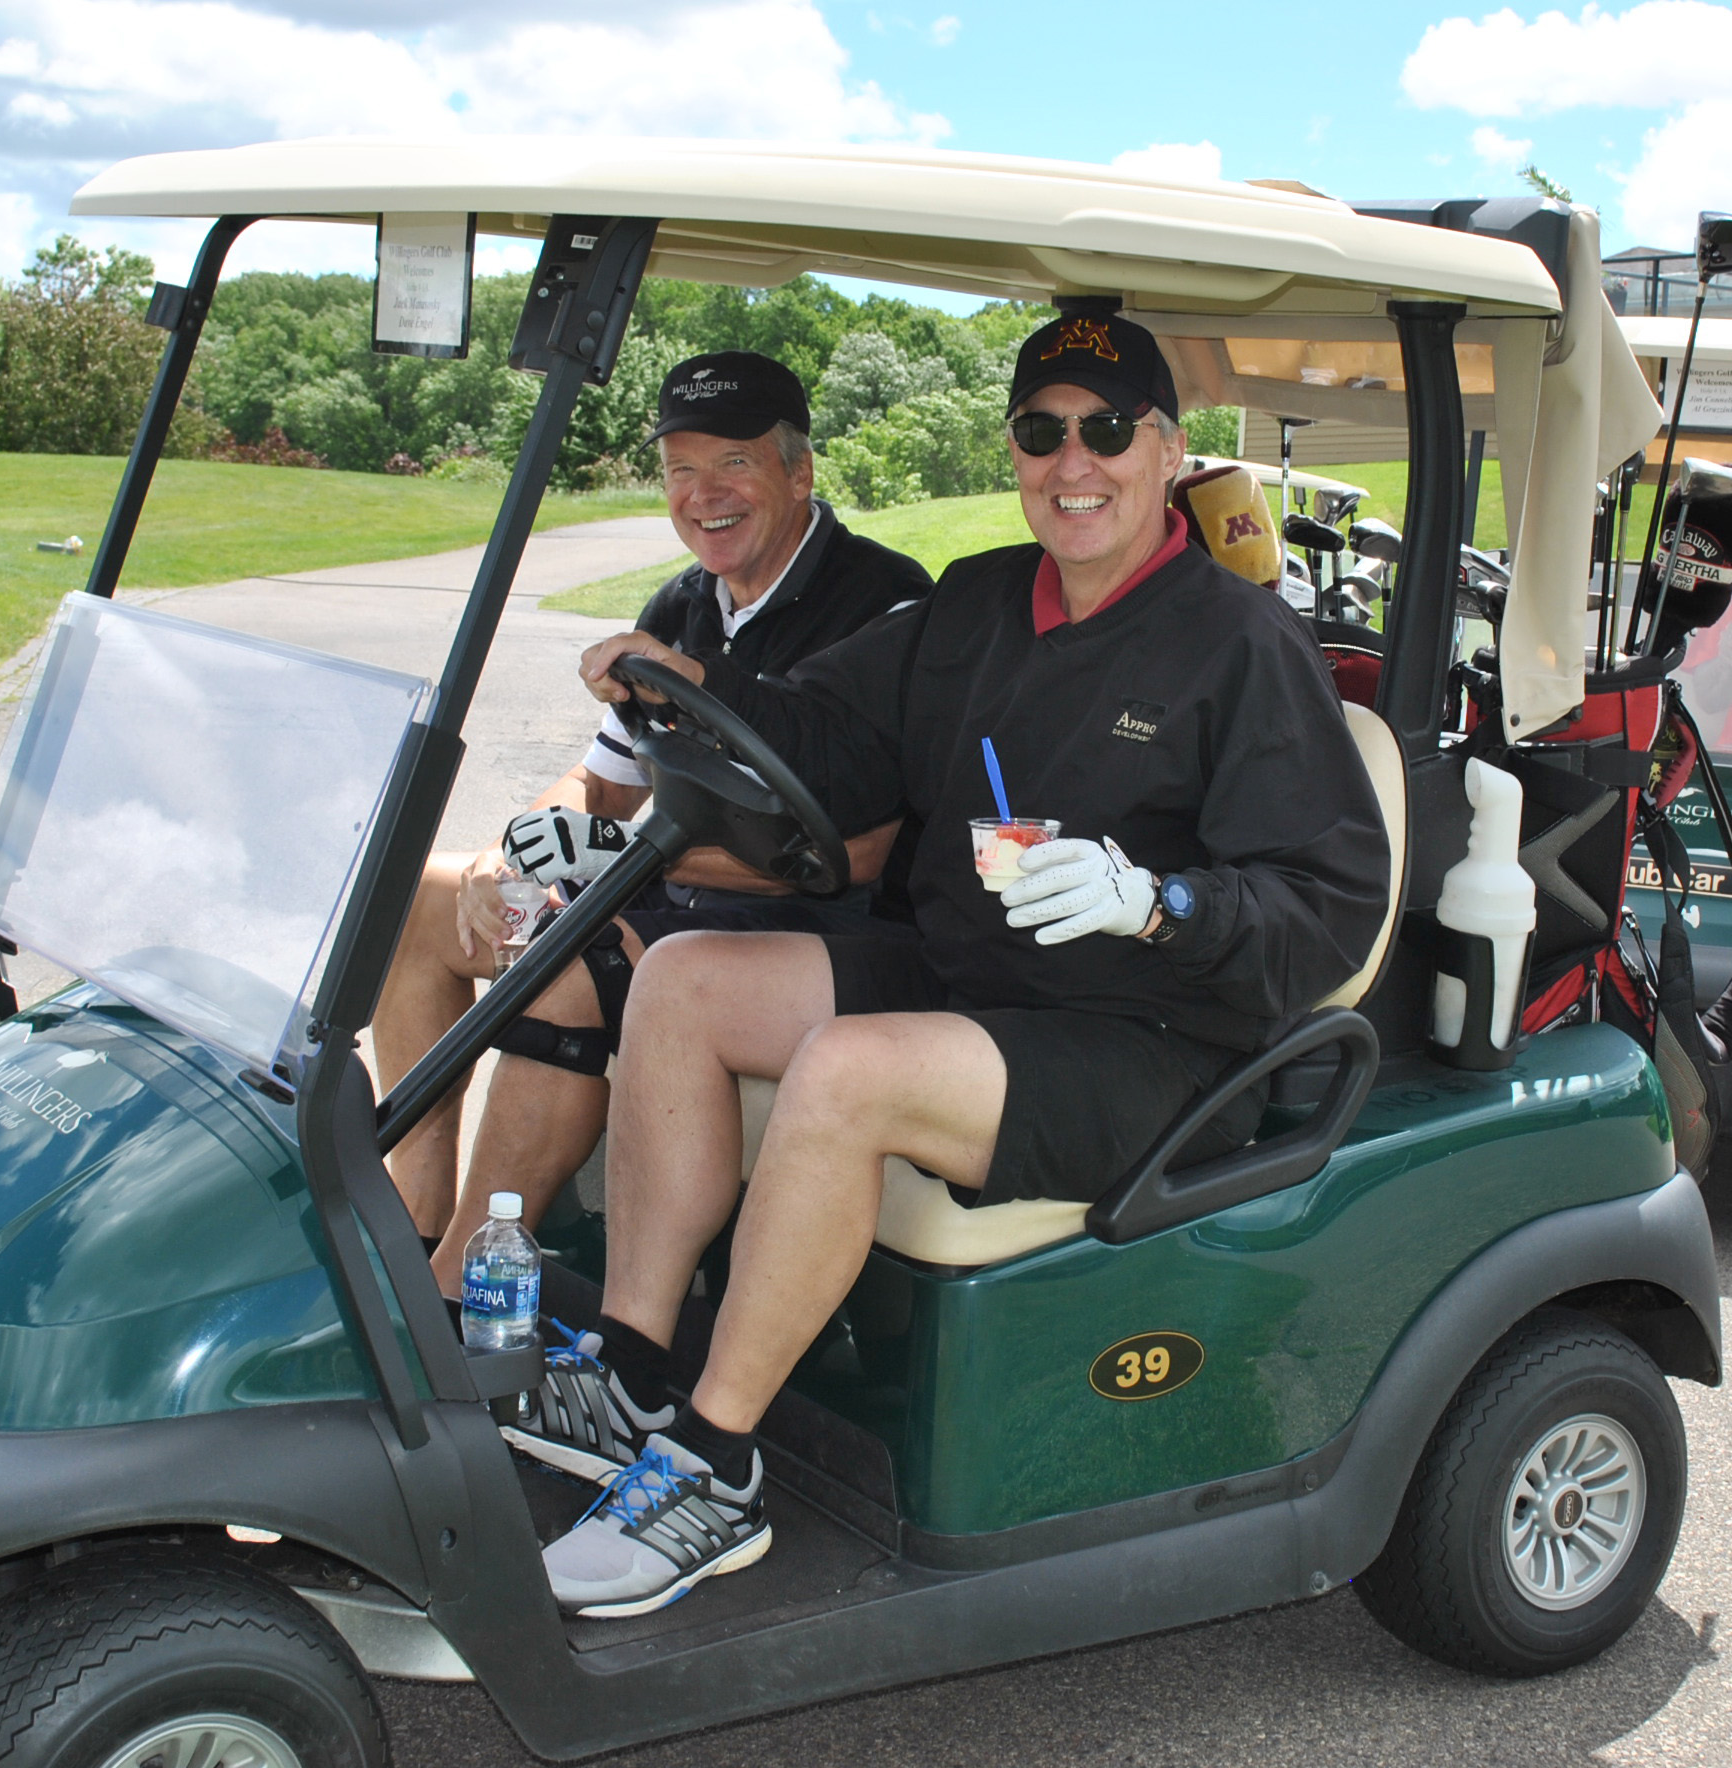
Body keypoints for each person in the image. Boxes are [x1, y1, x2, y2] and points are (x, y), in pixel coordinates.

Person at [513, 306, 1391, 1616]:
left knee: (851, 1068)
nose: (1072, 461)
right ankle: (637, 1368)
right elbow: (824, 726)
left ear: (1165, 451)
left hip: (1144, 1037)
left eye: (1106, 431)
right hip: (960, 973)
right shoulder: (976, 601)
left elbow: (1321, 907)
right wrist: (677, 684)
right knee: (688, 977)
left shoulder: (1239, 646)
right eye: (1043, 431)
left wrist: (1153, 902)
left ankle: (714, 1466)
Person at [370, 350, 933, 1297]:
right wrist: (509, 851)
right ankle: (407, 1225)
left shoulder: (885, 600)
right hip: (672, 896)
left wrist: (611, 870)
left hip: (817, 928)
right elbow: (601, 782)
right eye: (679, 469)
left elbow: (864, 851)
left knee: (564, 960)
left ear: (798, 469)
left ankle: (460, 1285)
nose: (702, 494)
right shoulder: (680, 605)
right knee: (420, 897)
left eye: (735, 463)